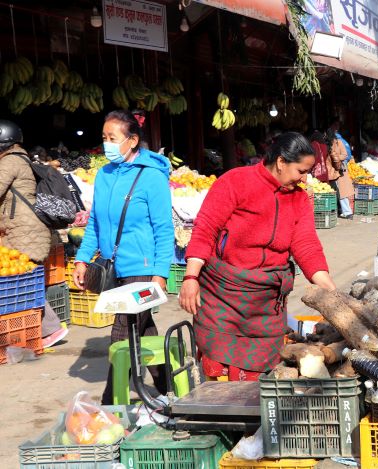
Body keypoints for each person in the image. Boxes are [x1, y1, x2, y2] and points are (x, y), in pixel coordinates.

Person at [179, 132, 336, 381]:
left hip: (266, 300)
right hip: (224, 295)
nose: (304, 178)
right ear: (282, 162)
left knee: (262, 372)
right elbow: (206, 228)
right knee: (218, 368)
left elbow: (306, 245)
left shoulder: (299, 199)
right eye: (300, 171)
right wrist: (190, 277)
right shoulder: (236, 181)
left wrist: (330, 291)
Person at [73, 110, 174, 404]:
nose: (107, 144)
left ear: (132, 141)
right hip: (113, 267)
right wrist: (81, 258)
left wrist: (161, 273)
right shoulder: (104, 175)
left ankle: (109, 400)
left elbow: (164, 229)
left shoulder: (152, 177)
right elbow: (95, 222)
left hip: (142, 268)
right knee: (143, 328)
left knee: (122, 330)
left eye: (112, 138)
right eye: (104, 138)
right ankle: (168, 385)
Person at [0, 121, 66, 348]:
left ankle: (50, 329)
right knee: (23, 282)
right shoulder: (21, 158)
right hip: (27, 229)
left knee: (23, 284)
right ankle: (47, 329)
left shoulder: (9, 162)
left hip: (23, 232)